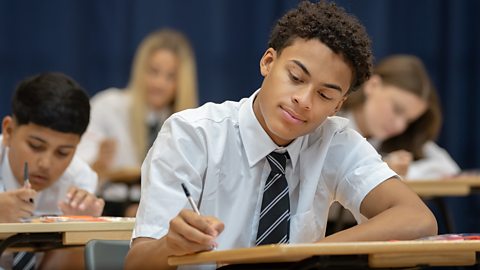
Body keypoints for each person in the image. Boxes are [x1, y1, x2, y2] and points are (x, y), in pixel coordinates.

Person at [125, 2, 437, 269]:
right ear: (268, 62)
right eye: (296, 77)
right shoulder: (193, 134)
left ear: (339, 104)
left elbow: (417, 217)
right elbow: (136, 263)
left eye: (325, 95)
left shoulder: (335, 140)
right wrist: (171, 245)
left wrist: (305, 256)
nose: (304, 100)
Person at [76, 29, 198, 216]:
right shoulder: (108, 106)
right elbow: (74, 177)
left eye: (170, 76)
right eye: (154, 72)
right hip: (109, 206)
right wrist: (99, 164)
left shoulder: (185, 122)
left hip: (161, 210)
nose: (159, 83)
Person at [0, 72, 104, 269]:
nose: (46, 163)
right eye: (35, 146)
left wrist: (83, 229)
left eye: (63, 152)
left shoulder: (80, 179)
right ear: (8, 131)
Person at [339, 54, 460, 179]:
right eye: (397, 109)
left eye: (409, 121)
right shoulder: (331, 123)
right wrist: (382, 168)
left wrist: (406, 172)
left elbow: (449, 168)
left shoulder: (401, 139)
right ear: (373, 85)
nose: (400, 126)